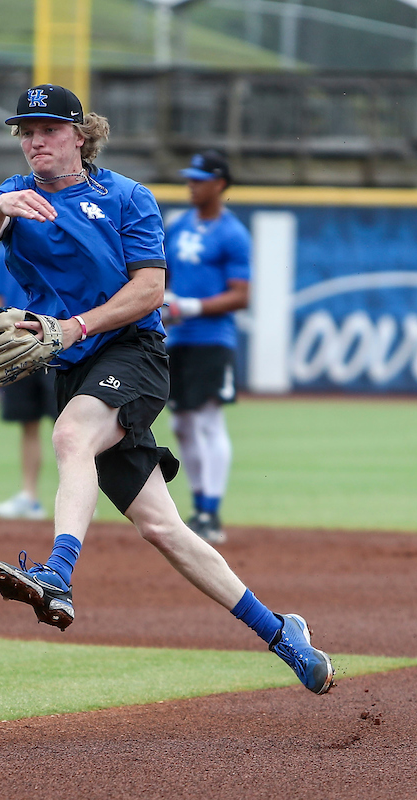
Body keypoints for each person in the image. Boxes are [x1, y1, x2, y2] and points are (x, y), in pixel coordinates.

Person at [0, 84, 334, 694]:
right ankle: (282, 633)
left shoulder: (125, 198)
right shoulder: (13, 193)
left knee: (70, 436)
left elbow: (149, 291)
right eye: (26, 131)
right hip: (73, 366)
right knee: (162, 528)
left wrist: (71, 325)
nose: (35, 141)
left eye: (49, 130)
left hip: (132, 351)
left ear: (79, 136)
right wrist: (1, 208)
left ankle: (58, 573)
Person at [161, 150, 251, 546]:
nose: (191, 185)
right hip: (177, 339)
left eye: (199, 179)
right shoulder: (179, 227)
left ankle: (211, 513)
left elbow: (241, 296)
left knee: (208, 420)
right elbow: (161, 274)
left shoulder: (233, 233)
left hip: (213, 340)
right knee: (181, 423)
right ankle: (198, 506)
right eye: (190, 178)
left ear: (220, 184)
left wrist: (189, 306)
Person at [0, 242, 59, 520]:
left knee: (69, 427)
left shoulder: (56, 247)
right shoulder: (0, 253)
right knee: (28, 424)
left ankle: (77, 498)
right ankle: (29, 496)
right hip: (18, 350)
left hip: (58, 346)